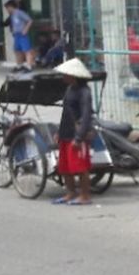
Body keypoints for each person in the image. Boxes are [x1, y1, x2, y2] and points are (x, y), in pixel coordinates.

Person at [52, 58, 95, 205]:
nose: (64, 76)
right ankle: (70, 192)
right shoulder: (70, 89)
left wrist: (78, 138)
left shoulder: (85, 92)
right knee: (64, 166)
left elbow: (86, 115)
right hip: (66, 132)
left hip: (78, 134)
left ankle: (85, 195)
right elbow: (66, 113)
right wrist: (59, 132)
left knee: (80, 167)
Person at [4, 0, 35, 71]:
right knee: (17, 50)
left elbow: (30, 20)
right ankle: (19, 66)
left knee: (26, 50)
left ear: (11, 7)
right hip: (16, 35)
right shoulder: (12, 15)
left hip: (22, 34)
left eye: (7, 8)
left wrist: (26, 29)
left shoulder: (19, 13)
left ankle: (29, 66)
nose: (7, 10)